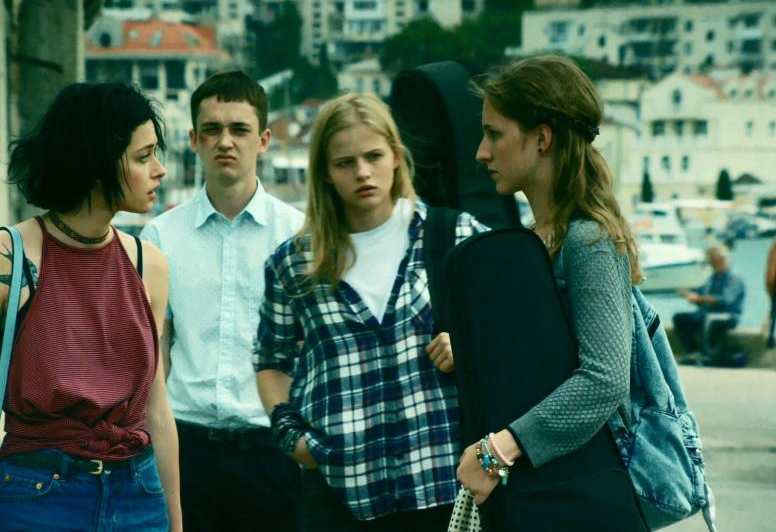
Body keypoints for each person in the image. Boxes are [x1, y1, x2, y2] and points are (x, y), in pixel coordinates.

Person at [254, 93, 486, 531]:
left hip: (445, 485)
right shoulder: (294, 264)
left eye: (373, 156)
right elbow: (271, 359)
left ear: (396, 156)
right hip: (340, 494)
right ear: (325, 172)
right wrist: (292, 436)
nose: (362, 172)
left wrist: (471, 348)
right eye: (345, 163)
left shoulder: (454, 236)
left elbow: (517, 333)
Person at [457, 55, 647, 528]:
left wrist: (497, 452)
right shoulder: (541, 239)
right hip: (549, 492)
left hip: (578, 500)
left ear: (541, 139)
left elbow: (605, 379)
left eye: (494, 134)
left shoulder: (587, 240)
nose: (481, 152)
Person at [0, 82, 181, 531]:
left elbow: (157, 410)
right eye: (143, 156)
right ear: (98, 162)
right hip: (37, 497)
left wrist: (175, 521)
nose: (159, 170)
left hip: (138, 496)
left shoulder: (148, 263)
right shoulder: (12, 258)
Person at [140, 70, 304, 532]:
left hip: (273, 452)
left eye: (239, 129)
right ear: (194, 139)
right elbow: (155, 352)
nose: (225, 141)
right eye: (211, 129)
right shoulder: (160, 236)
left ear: (264, 139)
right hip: (187, 449)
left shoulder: (299, 234)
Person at [674, 245, 746, 365]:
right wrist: (689, 294)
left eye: (712, 261)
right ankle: (694, 352)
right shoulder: (713, 278)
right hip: (708, 313)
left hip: (728, 315)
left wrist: (700, 299)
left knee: (708, 319)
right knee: (680, 318)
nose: (710, 264)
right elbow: (701, 293)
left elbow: (725, 300)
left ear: (722, 259)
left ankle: (706, 354)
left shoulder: (734, 277)